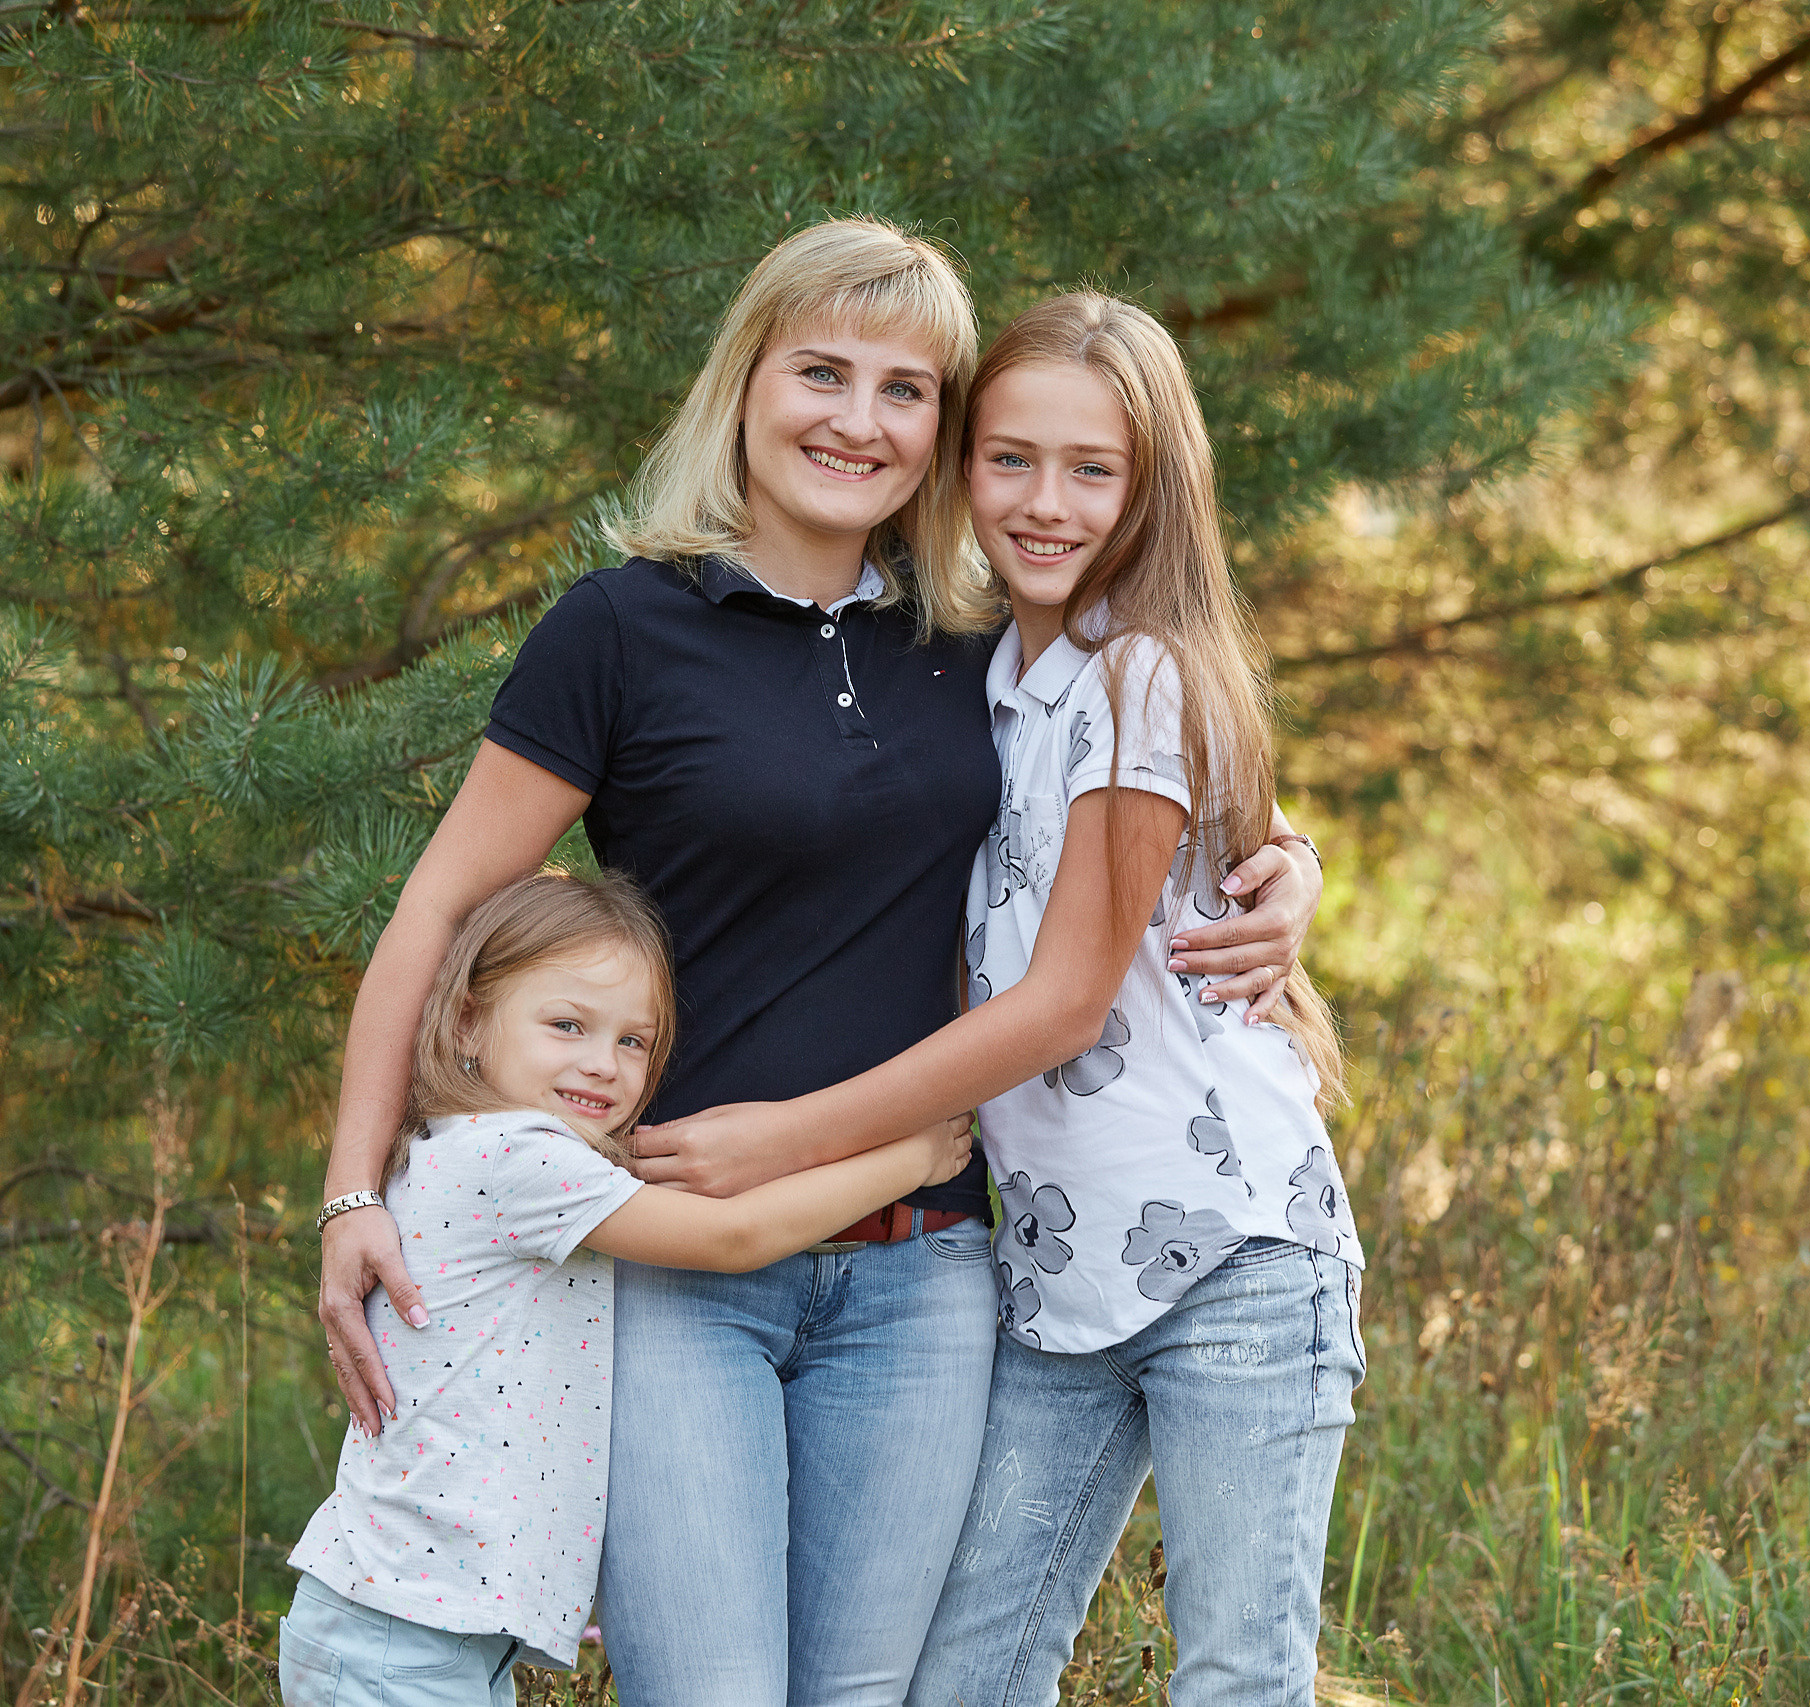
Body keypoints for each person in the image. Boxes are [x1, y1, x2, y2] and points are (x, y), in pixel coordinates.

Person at [311, 216, 1325, 1706]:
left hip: (926, 1276)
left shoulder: (975, 641)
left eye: (904, 389)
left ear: (938, 433)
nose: (858, 420)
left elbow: (1160, 787)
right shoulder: (620, 631)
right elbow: (436, 913)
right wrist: (354, 1187)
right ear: (747, 380)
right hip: (684, 1263)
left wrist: (1292, 863)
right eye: (822, 373)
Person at [898, 293, 1367, 1705]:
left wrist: (787, 1135)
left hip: (1234, 1256)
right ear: (962, 465)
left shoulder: (1147, 667)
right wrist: (1298, 860)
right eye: (1011, 459)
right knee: (968, 1679)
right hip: (1055, 1277)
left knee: (1236, 1679)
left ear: (1152, 485)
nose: (1045, 504)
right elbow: (1245, 842)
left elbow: (1061, 1005)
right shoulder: (983, 670)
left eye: (1091, 469)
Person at [279, 870, 969, 1707]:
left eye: (634, 1041)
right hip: (400, 1639)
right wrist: (913, 1158)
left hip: (410, 1628)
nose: (602, 1063)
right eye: (567, 1024)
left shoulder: (464, 1145)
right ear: (466, 1020)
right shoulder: (517, 1157)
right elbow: (734, 1236)